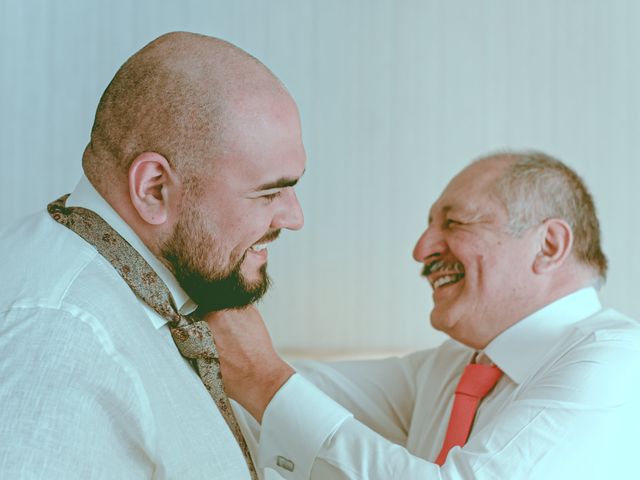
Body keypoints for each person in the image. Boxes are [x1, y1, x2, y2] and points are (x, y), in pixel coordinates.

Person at [207, 151, 640, 479]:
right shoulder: (450, 367)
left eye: (454, 223)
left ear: (548, 246)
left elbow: (268, 382)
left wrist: (262, 379)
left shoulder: (618, 362)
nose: (421, 249)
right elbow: (288, 392)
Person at [0, 31, 305, 479]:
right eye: (269, 193)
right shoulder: (61, 346)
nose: (294, 217)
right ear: (154, 189)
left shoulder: (163, 295)